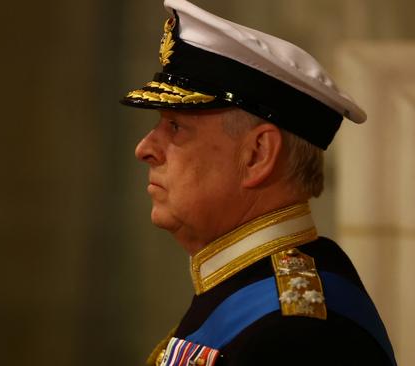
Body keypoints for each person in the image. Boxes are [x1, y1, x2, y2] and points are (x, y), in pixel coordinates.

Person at [120, 0, 396, 365]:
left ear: (258, 154)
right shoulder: (254, 293)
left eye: (175, 126)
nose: (145, 148)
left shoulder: (296, 334)